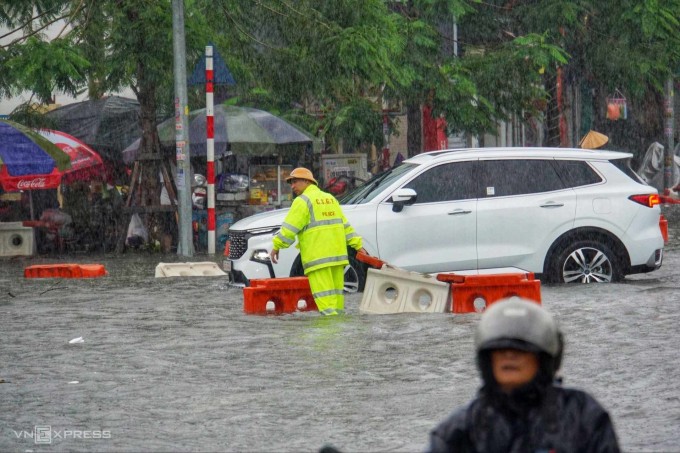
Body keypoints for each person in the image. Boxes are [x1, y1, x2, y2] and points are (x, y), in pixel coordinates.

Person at [428, 298, 620, 452]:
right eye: (500, 349)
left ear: (544, 359)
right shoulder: (459, 430)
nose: (509, 355)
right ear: (487, 360)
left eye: (520, 349)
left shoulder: (583, 416)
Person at [270, 167, 366, 316]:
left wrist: (277, 246)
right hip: (338, 259)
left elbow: (289, 229)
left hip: (319, 260)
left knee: (325, 305)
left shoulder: (302, 201)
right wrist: (358, 246)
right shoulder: (330, 199)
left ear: (307, 181)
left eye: (295, 182)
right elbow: (345, 226)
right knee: (337, 302)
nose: (292, 186)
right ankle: (341, 334)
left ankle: (326, 337)